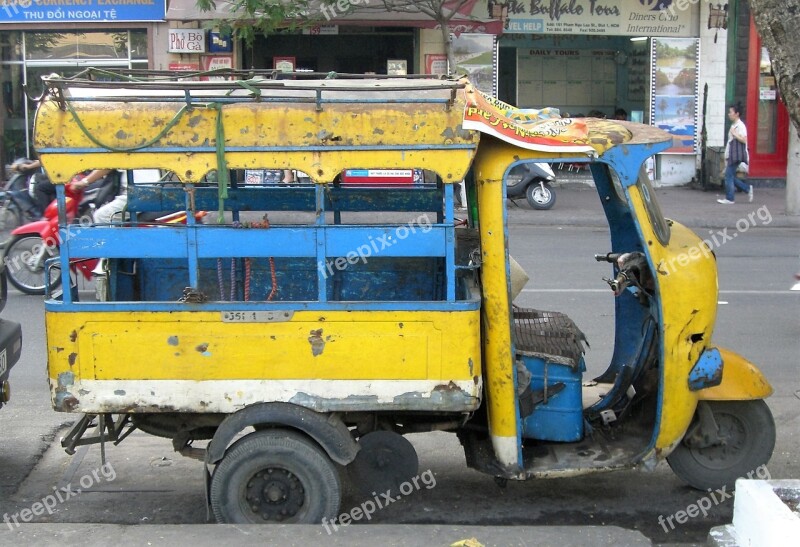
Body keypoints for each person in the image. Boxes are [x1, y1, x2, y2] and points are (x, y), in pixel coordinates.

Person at [717, 103, 753, 205]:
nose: (729, 114)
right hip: (732, 155)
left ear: (737, 114)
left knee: (728, 175)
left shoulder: (740, 126)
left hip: (736, 156)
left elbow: (744, 140)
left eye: (731, 112)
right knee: (730, 175)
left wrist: (735, 134)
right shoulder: (734, 125)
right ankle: (747, 189)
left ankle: (730, 198)